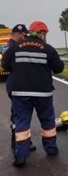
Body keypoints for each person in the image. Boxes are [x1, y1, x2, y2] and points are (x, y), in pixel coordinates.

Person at [1, 21, 64, 167]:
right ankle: (51, 149)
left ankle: (21, 156)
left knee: (21, 122)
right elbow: (59, 68)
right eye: (45, 33)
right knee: (47, 122)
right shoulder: (48, 49)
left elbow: (4, 65)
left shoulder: (15, 47)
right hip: (43, 92)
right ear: (41, 33)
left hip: (20, 92)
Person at [5, 24, 37, 152]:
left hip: (15, 84)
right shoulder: (14, 47)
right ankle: (19, 143)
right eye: (24, 35)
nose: (25, 38)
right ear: (18, 34)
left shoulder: (11, 46)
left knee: (20, 115)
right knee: (20, 116)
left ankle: (21, 142)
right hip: (16, 85)